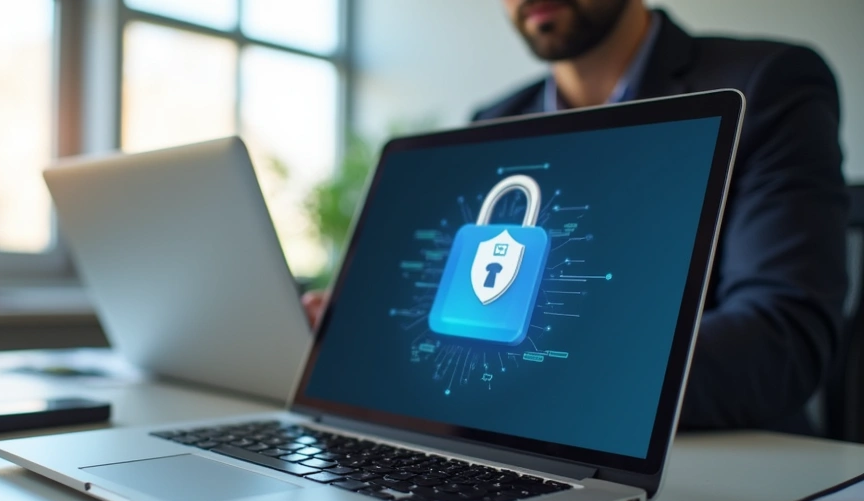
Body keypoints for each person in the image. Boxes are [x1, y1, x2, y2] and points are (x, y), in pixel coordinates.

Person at [304, 0, 848, 434]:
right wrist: (374, 330)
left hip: (720, 469)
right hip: (506, 448)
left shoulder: (768, 83)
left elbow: (780, 335)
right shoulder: (496, 120)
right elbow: (476, 310)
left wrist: (547, 374)